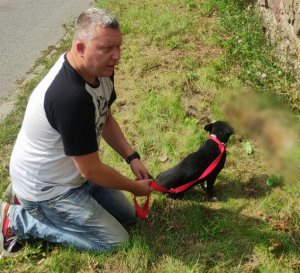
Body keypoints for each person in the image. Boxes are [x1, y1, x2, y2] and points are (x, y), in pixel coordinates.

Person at [0, 7, 153, 257]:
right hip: (49, 190)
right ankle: (16, 218)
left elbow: (105, 115)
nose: (116, 56)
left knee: (128, 217)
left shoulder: (101, 70)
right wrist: (134, 188)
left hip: (74, 177)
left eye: (119, 47)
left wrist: (132, 156)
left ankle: (22, 198)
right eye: (106, 48)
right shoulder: (69, 98)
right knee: (115, 242)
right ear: (81, 48)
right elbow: (90, 169)